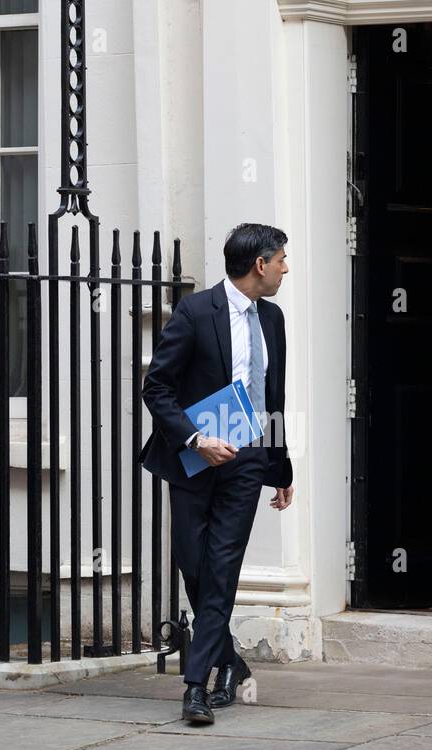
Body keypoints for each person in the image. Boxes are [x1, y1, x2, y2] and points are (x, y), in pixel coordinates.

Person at [138, 223, 295, 724]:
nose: (285, 268)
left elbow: (273, 399)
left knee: (222, 569)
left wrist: (280, 465)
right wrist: (196, 439)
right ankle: (231, 663)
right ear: (259, 265)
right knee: (196, 567)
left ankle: (195, 685)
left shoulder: (272, 319)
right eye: (282, 259)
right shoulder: (195, 311)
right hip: (194, 458)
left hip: (247, 460)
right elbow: (156, 387)